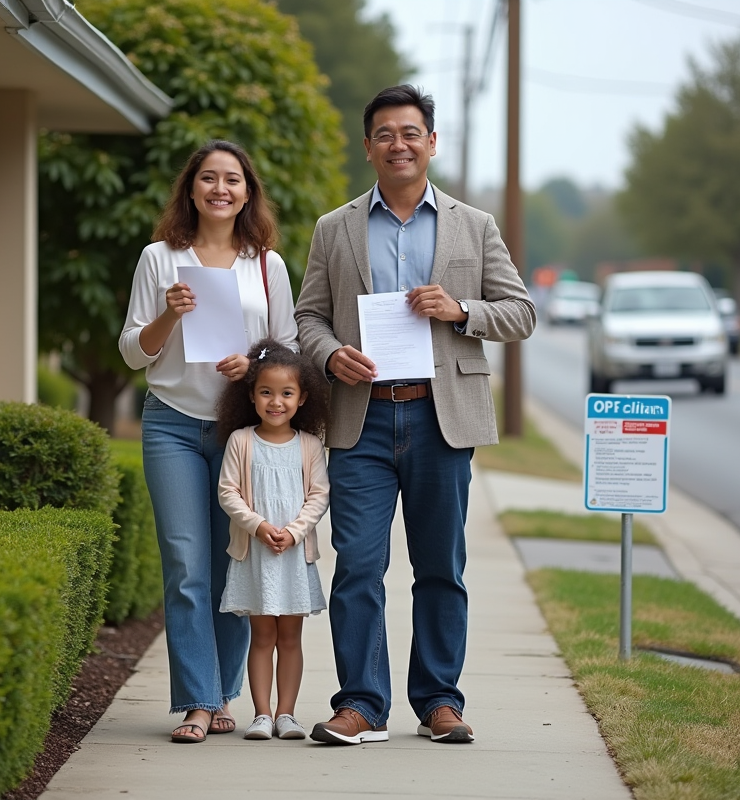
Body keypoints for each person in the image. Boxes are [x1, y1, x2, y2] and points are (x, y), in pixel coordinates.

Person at [294, 85, 536, 745]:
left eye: (410, 132)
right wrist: (329, 353)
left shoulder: (473, 225)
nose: (397, 144)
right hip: (360, 421)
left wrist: (461, 310)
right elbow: (307, 316)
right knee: (359, 566)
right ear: (367, 145)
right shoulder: (334, 228)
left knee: (439, 567)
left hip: (440, 420)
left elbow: (520, 313)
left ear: (431, 142)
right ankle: (361, 706)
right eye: (384, 134)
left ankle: (438, 703)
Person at [119, 140, 299, 744]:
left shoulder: (266, 264)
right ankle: (199, 700)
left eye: (233, 180)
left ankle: (224, 692)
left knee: (234, 566)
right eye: (208, 178)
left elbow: (288, 352)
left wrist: (250, 368)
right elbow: (132, 352)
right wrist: (169, 315)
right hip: (170, 421)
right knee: (185, 565)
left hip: (239, 431)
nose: (220, 189)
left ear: (248, 192)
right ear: (190, 188)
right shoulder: (158, 258)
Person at [213, 338, 331, 741]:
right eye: (266, 392)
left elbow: (319, 494)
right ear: (251, 395)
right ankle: (261, 714)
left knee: (290, 638)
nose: (275, 402)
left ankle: (287, 714)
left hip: (293, 557)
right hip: (256, 553)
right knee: (262, 636)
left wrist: (294, 532)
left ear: (302, 398)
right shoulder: (241, 441)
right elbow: (228, 492)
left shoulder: (310, 446)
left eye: (286, 393)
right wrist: (259, 526)